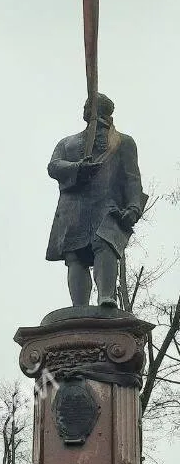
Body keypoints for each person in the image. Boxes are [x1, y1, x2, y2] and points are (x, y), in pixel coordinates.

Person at [46, 93, 147, 307]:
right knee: (75, 255)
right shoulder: (68, 143)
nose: (84, 109)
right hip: (74, 205)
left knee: (105, 243)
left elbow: (132, 178)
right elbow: (54, 166)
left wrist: (134, 207)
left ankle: (106, 297)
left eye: (88, 106)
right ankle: (79, 308)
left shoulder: (122, 142)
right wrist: (77, 168)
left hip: (107, 203)